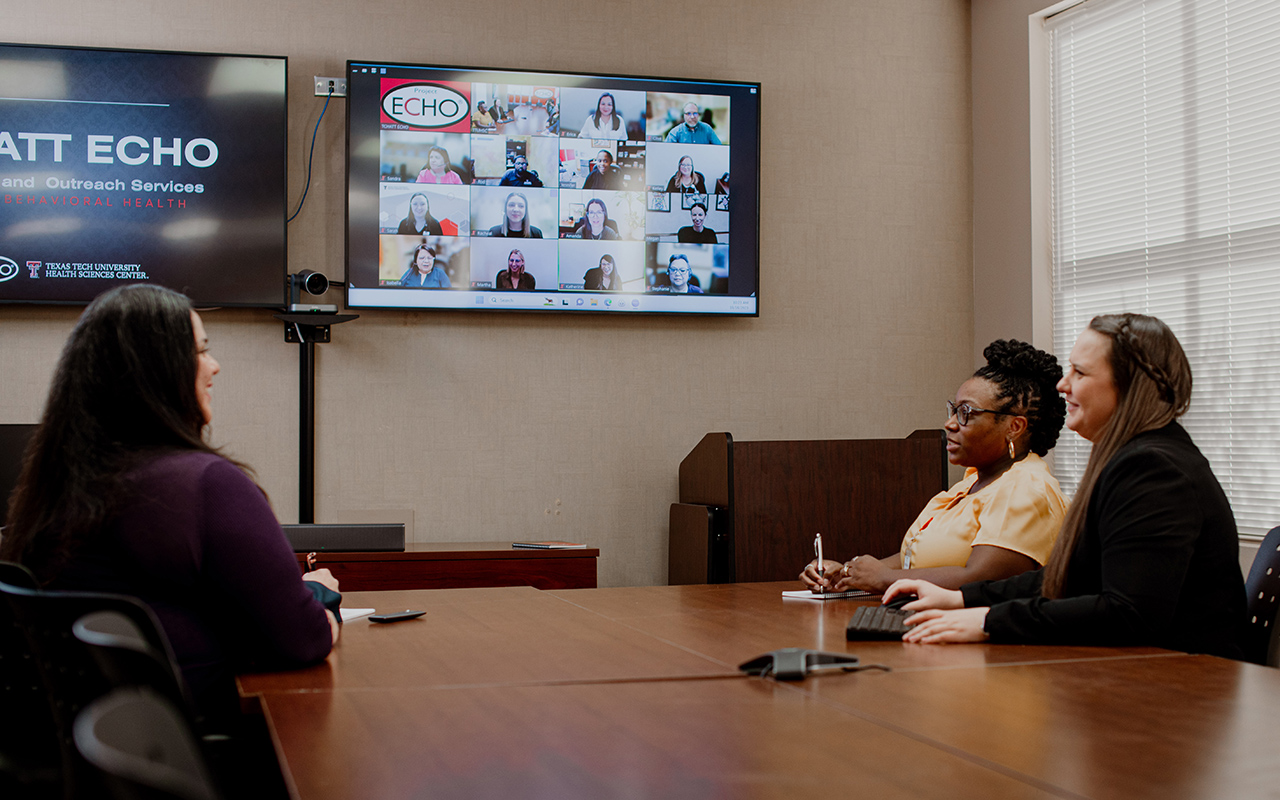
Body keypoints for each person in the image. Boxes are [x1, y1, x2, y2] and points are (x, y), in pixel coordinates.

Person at [0, 285, 339, 727]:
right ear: (155, 371)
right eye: (200, 351)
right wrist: (321, 595)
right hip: (198, 746)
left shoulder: (54, 486)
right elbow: (303, 639)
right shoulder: (206, 485)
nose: (214, 367)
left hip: (101, 750)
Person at [892, 315, 1246, 659]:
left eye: (1080, 372)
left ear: (1127, 387)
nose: (1063, 385)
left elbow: (1127, 613)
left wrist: (986, 621)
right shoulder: (1134, 455)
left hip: (1184, 684)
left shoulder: (1154, 469)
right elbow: (1073, 578)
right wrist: (962, 600)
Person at [801, 340, 1068, 594]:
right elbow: (916, 560)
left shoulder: (1026, 488)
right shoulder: (970, 483)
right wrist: (846, 573)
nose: (950, 423)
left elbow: (982, 580)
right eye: (954, 410)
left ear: (1014, 427)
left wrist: (883, 578)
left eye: (966, 413)